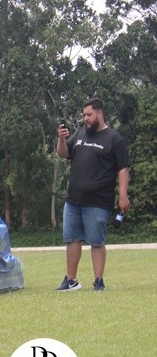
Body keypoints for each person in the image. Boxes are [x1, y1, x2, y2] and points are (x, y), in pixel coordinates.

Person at [55, 98, 131, 291]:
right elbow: (62, 154)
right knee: (71, 239)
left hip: (98, 201)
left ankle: (98, 280)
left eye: (89, 115)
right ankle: (71, 280)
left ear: (99, 113)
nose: (86, 119)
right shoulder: (80, 134)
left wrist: (123, 195)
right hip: (73, 200)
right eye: (84, 115)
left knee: (96, 241)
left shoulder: (113, 138)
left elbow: (123, 168)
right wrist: (61, 139)